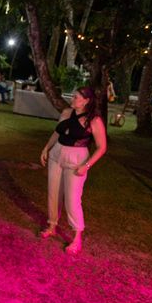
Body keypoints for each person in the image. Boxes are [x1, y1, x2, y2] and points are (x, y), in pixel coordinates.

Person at [39, 86, 107, 255]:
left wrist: (87, 165)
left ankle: (77, 237)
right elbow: (57, 132)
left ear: (86, 101)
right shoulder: (66, 112)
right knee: (53, 193)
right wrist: (46, 148)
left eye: (76, 97)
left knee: (72, 199)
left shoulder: (94, 120)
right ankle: (52, 225)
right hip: (57, 155)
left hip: (77, 160)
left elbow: (102, 147)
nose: (73, 99)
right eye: (74, 96)